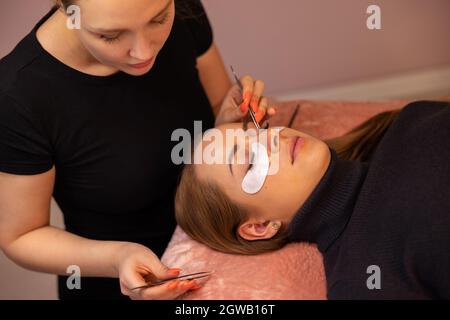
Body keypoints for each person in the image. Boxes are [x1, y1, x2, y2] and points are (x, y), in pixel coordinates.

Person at [0, 0, 276, 300]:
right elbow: (21, 237)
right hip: (116, 281)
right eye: (110, 36)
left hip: (215, 246)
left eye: (158, 19)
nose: (144, 52)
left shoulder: (183, 8)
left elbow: (215, 110)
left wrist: (228, 119)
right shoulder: (17, 96)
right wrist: (119, 258)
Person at [175, 100, 450, 299]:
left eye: (259, 130)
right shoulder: (362, 280)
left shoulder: (410, 120)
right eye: (249, 162)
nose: (273, 140)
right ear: (261, 226)